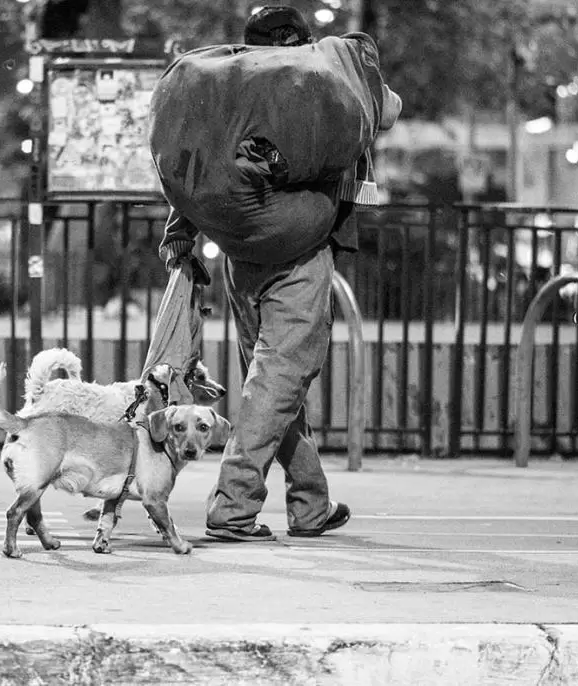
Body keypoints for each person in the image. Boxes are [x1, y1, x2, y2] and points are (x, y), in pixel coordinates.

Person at [159, 5, 403, 542]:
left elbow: (203, 165)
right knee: (278, 382)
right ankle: (233, 507)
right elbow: (386, 110)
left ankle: (311, 503)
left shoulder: (232, 89)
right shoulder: (308, 82)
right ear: (301, 42)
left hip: (241, 258)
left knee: (271, 384)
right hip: (300, 256)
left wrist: (181, 229)